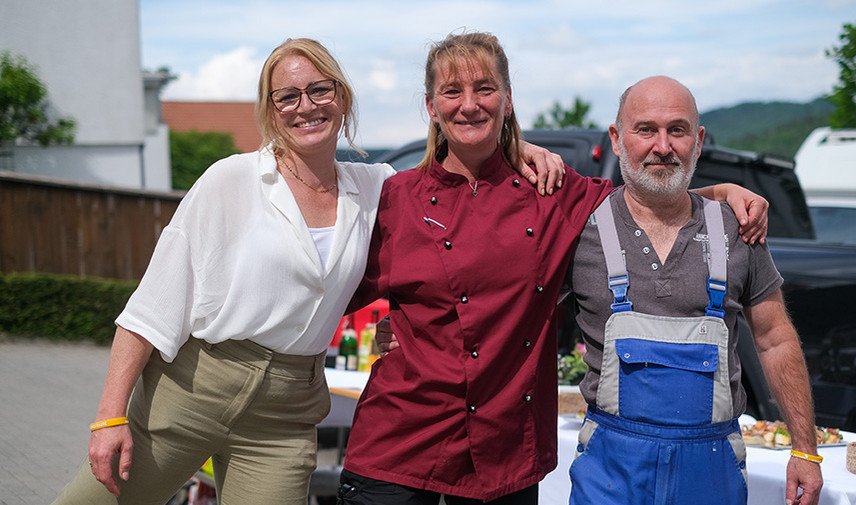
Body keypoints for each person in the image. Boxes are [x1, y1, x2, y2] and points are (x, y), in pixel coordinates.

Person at [52, 36, 571, 505]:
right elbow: (149, 309)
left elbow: (459, 174)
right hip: (193, 388)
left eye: (319, 90)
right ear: (272, 111)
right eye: (288, 97)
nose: (306, 106)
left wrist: (513, 145)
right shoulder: (230, 180)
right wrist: (110, 416)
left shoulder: (378, 189)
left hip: (286, 411)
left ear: (341, 98)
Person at [337, 32, 769, 505]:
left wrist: (720, 194)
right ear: (430, 106)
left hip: (503, 448)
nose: (469, 104)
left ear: (507, 100)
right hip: (400, 439)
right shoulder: (397, 199)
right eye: (451, 91)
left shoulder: (553, 192)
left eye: (485, 88)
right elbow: (329, 293)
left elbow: (645, 199)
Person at [567, 76, 823, 505]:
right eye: (645, 129)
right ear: (616, 138)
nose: (662, 146)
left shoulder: (738, 230)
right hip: (611, 471)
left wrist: (806, 450)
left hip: (711, 472)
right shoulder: (579, 229)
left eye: (678, 130)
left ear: (698, 140)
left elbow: (776, 339)